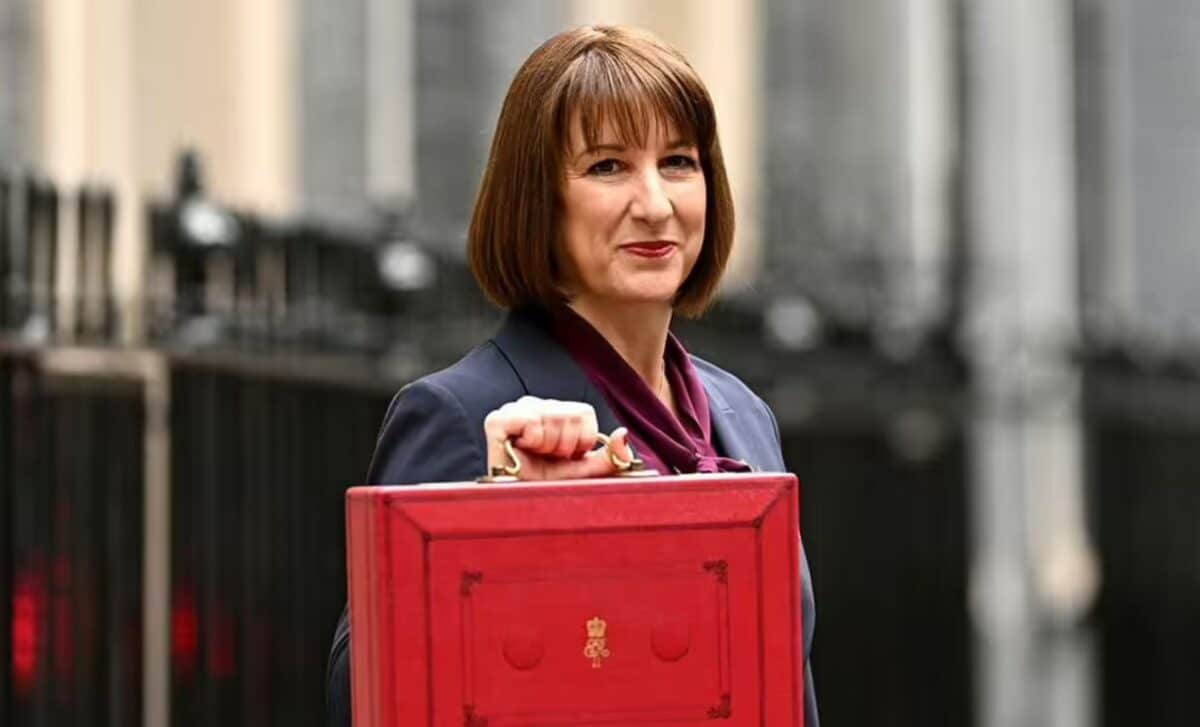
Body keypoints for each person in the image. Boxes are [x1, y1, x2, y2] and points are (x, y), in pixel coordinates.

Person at [326, 25, 818, 726]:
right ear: (539, 200)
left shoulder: (744, 415)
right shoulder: (462, 413)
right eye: (608, 166)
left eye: (678, 161)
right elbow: (364, 700)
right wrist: (497, 512)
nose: (655, 203)